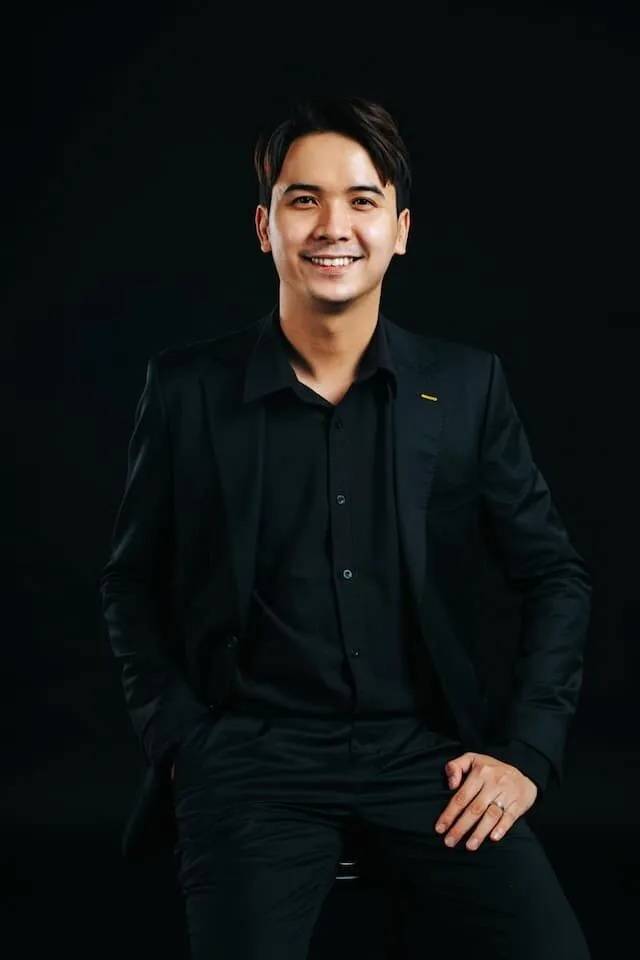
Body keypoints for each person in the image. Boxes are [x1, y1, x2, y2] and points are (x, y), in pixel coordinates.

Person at [99, 96, 592, 959]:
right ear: (265, 227)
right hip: (249, 762)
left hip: (425, 759)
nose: (333, 226)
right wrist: (182, 742)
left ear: (400, 231)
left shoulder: (466, 386)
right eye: (304, 199)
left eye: (362, 201)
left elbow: (555, 576)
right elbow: (130, 583)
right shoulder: (187, 390)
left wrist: (526, 754)